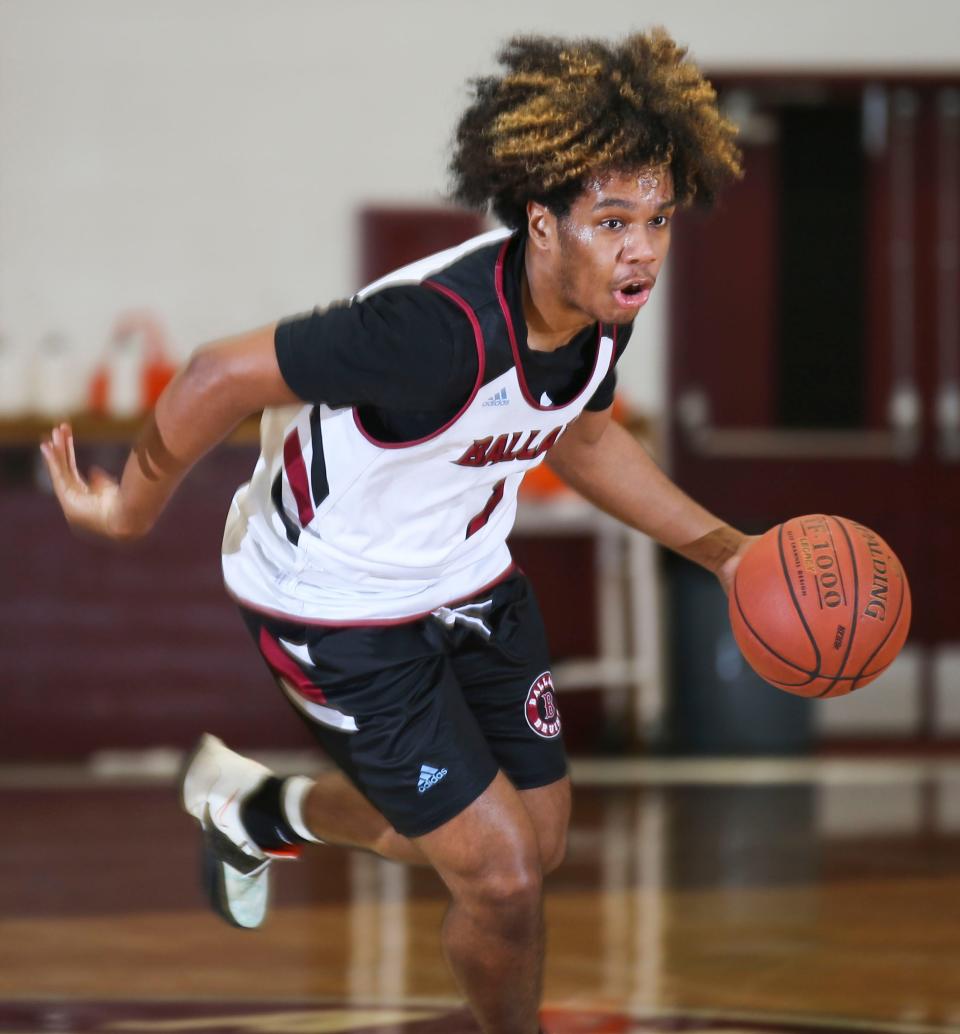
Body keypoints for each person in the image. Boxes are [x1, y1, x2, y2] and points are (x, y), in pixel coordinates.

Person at [41, 28, 745, 1034]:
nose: (641, 248)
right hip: (332, 602)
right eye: (613, 219)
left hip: (464, 575)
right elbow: (216, 376)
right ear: (542, 224)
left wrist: (729, 551)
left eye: (660, 219)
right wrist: (129, 507)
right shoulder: (435, 332)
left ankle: (259, 808)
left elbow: (579, 435)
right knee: (502, 876)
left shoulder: (601, 307)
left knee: (535, 843)